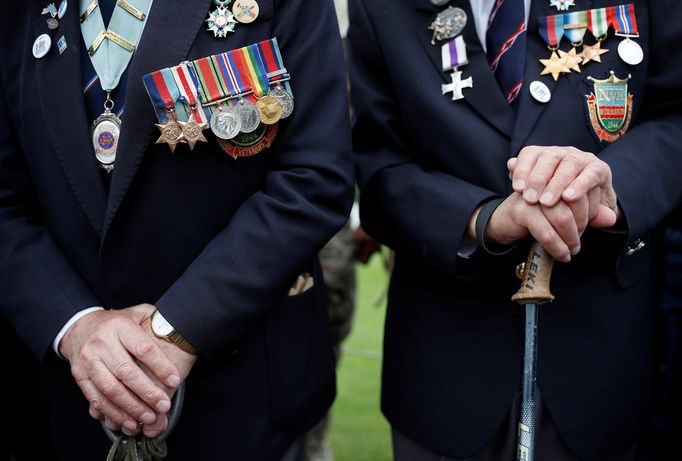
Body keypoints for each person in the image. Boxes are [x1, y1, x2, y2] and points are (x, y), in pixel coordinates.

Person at [0, 0, 353, 459]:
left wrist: (177, 328)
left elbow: (313, 179)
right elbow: (7, 203)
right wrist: (78, 326)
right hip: (74, 398)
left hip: (245, 392)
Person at [348, 0, 682, 460]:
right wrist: (484, 218)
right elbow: (376, 165)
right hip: (445, 367)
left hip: (599, 357)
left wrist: (609, 187)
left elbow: (673, 114)